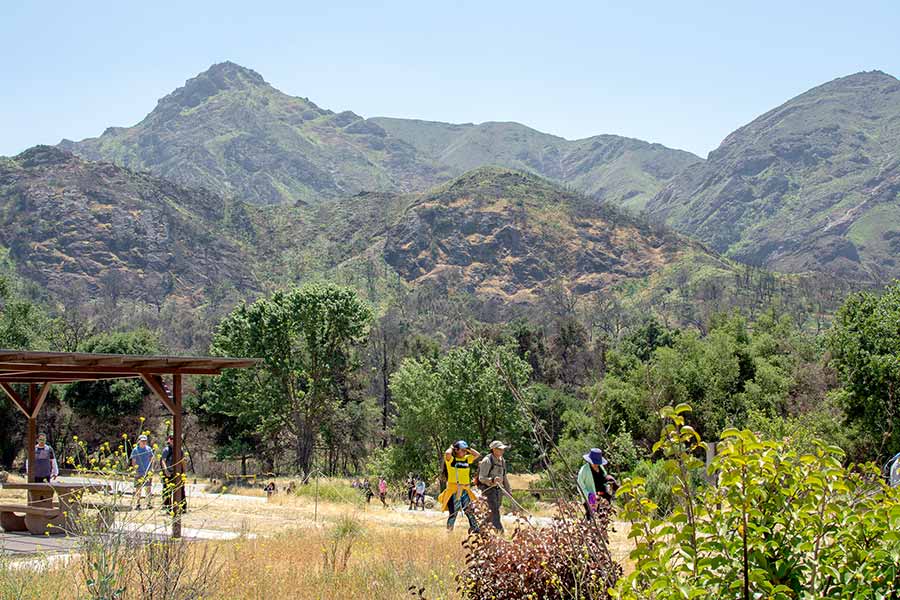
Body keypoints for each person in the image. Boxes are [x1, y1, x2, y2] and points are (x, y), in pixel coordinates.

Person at [438, 440, 481, 533]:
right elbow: (447, 453)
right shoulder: (451, 460)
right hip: (454, 490)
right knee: (453, 513)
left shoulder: (466, 458)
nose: (465, 452)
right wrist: (452, 447)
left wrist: (468, 449)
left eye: (465, 451)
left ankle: (476, 529)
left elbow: (477, 455)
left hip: (465, 490)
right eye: (462, 450)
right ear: (456, 450)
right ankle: (449, 531)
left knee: (469, 511)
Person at [478, 440, 512, 533]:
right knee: (495, 513)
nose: (502, 451)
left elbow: (504, 476)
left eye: (502, 449)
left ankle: (478, 530)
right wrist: (492, 480)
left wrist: (508, 490)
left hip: (498, 490)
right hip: (488, 490)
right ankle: (501, 534)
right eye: (500, 449)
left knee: (491, 514)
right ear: (493, 449)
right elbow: (481, 478)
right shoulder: (487, 460)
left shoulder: (502, 461)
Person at [577, 448, 612, 520]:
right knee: (592, 518)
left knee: (603, 518)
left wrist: (608, 487)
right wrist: (591, 496)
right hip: (591, 497)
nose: (596, 464)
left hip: (602, 497)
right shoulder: (584, 470)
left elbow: (605, 479)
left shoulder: (601, 468)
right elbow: (579, 486)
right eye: (594, 462)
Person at [130, 434, 155, 509]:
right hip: (139, 471)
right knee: (138, 488)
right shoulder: (135, 450)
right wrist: (135, 470)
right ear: (139, 441)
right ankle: (138, 503)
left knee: (148, 487)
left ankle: (149, 503)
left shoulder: (148, 449)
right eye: (142, 441)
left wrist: (152, 468)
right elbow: (133, 461)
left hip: (147, 471)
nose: (143, 442)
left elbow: (151, 458)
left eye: (145, 441)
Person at [160, 434, 177, 512]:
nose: (173, 441)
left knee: (177, 490)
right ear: (169, 440)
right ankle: (167, 507)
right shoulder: (166, 450)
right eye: (171, 439)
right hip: (168, 473)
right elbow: (163, 460)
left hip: (176, 473)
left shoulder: (178, 449)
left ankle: (177, 506)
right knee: (167, 490)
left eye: (174, 439)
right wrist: (165, 470)